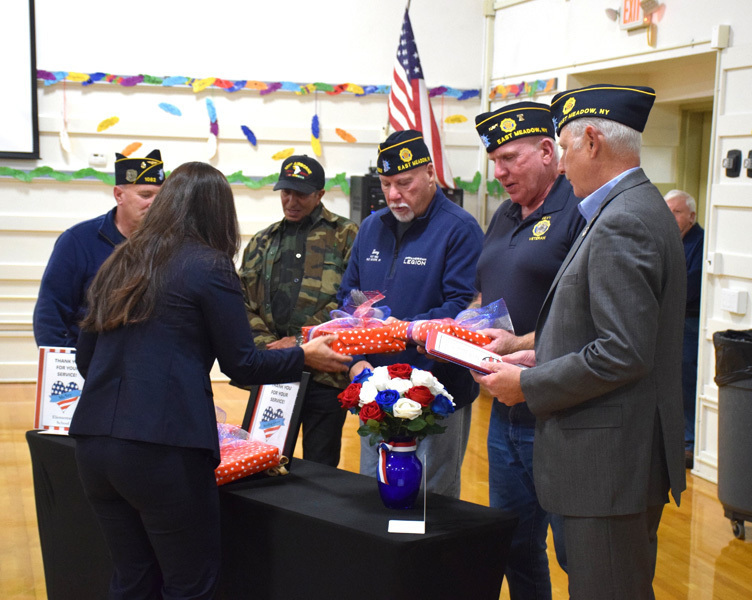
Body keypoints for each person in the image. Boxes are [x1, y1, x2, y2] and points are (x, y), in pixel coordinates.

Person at [68, 162, 351, 600]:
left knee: (132, 579)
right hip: (163, 449)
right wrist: (305, 356)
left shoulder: (119, 260)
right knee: (189, 584)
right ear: (219, 212)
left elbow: (87, 359)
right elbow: (243, 365)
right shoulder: (209, 265)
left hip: (92, 445)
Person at [472, 85, 687, 599]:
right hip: (611, 456)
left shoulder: (622, 220)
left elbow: (622, 351)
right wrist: (541, 351)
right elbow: (605, 329)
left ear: (591, 140)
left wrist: (528, 382)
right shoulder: (631, 206)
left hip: (609, 462)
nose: (563, 166)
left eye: (564, 148)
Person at [473, 101, 585, 599]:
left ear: (547, 151)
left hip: (560, 408)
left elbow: (586, 320)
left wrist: (519, 345)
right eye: (494, 160)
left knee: (576, 552)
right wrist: (464, 326)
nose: (499, 172)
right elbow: (489, 292)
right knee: (516, 545)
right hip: (504, 408)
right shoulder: (503, 214)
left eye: (510, 158)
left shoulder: (579, 212)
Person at [339, 130, 484, 498]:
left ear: (430, 175)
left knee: (429, 500)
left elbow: (462, 306)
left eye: (404, 183)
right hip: (374, 387)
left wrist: (401, 330)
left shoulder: (460, 228)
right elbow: (348, 300)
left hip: (436, 390)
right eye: (386, 183)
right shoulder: (371, 227)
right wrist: (355, 362)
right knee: (377, 489)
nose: (393, 195)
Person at [238, 155, 359, 466]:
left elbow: (355, 302)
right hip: (273, 371)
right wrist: (271, 348)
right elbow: (241, 301)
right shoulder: (263, 241)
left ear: (319, 194)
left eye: (301, 194)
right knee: (263, 459)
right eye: (285, 192)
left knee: (321, 465)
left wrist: (299, 341)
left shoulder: (347, 236)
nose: (291, 201)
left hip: (324, 373)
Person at [33, 149, 165, 347]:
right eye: (145, 195)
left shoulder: (169, 243)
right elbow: (51, 312)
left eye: (160, 196)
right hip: (87, 365)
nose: (154, 203)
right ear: (119, 195)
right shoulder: (78, 241)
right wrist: (63, 365)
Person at [664, 189, 704, 469]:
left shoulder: (701, 243)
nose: (671, 216)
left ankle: (689, 444)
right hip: (669, 321)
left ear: (691, 215)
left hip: (690, 322)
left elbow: (688, 289)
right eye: (668, 210)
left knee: (686, 383)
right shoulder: (668, 240)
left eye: (676, 212)